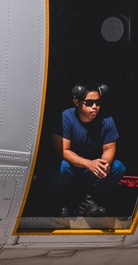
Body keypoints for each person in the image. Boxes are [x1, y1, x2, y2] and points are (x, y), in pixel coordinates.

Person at [50, 83, 125, 217]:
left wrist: (103, 164)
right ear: (77, 102)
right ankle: (60, 200)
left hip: (88, 168)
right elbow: (63, 151)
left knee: (117, 167)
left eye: (98, 102)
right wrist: (89, 164)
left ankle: (88, 199)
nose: (95, 107)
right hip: (71, 166)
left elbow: (109, 148)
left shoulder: (106, 120)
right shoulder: (66, 118)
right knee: (63, 167)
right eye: (89, 103)